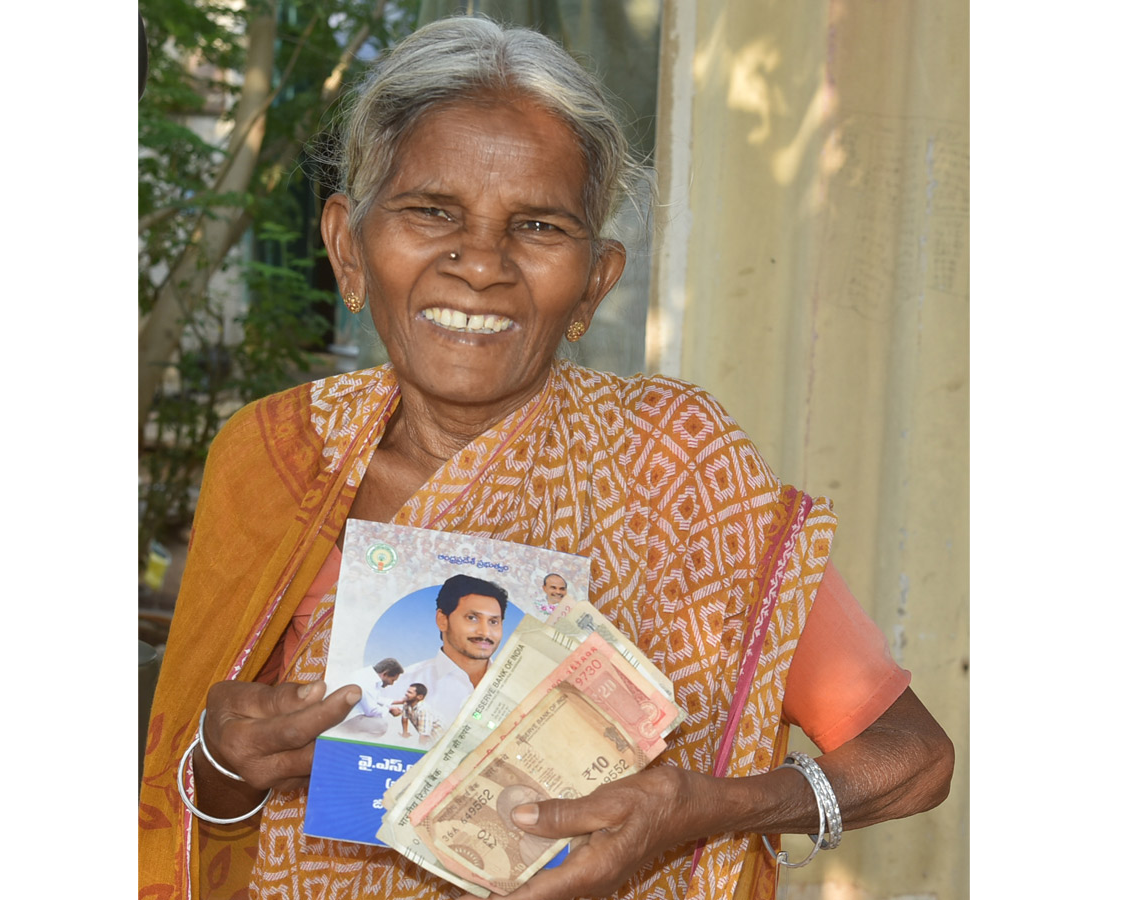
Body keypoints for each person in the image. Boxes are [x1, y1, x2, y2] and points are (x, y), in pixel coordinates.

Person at [138, 16, 954, 900]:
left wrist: (706, 806)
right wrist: (221, 762)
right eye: (431, 211)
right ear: (348, 248)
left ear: (594, 282)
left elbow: (912, 759)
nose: (481, 263)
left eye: (536, 226)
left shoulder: (675, 467)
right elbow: (200, 816)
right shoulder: (276, 458)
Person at [399, 573, 508, 726]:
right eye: (472, 618)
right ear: (442, 620)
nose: (485, 632)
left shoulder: (521, 687)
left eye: (494, 621)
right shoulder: (402, 684)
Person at [328, 657, 404, 736]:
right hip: (343, 720)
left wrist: (396, 702)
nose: (392, 684)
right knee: (381, 725)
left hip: (339, 714)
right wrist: (389, 710)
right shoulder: (368, 682)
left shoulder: (366, 674)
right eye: (392, 680)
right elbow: (372, 711)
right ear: (385, 674)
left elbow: (373, 698)